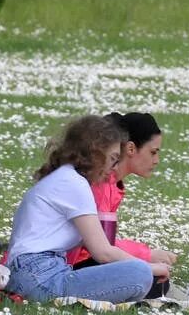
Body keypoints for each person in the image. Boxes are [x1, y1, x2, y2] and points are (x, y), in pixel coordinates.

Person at [5, 115, 170, 303]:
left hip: (32, 273)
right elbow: (103, 252)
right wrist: (151, 267)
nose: (114, 167)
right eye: (113, 159)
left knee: (137, 273)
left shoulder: (65, 177)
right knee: (139, 273)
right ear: (95, 153)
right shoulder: (74, 183)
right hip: (39, 277)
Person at [66, 112, 178, 274]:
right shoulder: (100, 184)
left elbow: (104, 243)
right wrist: (147, 256)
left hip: (85, 259)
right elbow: (102, 247)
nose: (157, 160)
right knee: (146, 278)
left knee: (152, 278)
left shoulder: (113, 184)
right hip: (70, 265)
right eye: (153, 152)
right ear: (131, 148)